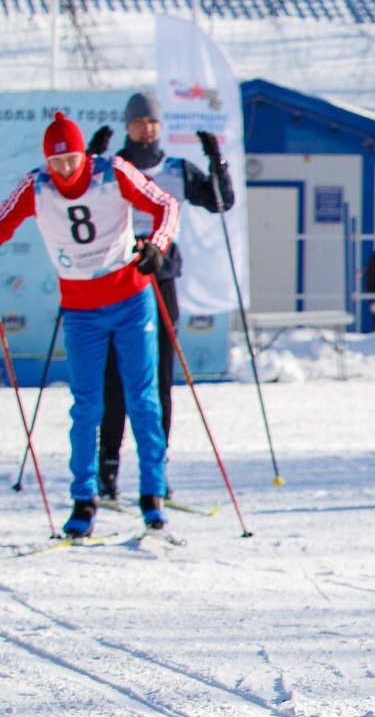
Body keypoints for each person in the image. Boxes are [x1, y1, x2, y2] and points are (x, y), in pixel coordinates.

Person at [0, 113, 178, 536]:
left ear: (83, 154)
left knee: (143, 399)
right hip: (80, 310)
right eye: (56, 162)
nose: (64, 170)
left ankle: (152, 495)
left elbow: (165, 204)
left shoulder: (112, 171)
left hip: (131, 300)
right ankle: (84, 500)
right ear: (47, 161)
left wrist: (157, 245)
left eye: (72, 159)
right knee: (86, 406)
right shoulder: (37, 186)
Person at [96, 92, 234, 504]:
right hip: (116, 280)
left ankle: (156, 470)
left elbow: (220, 201)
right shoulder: (113, 167)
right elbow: (79, 197)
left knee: (158, 382)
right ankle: (107, 470)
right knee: (114, 380)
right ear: (128, 126)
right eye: (139, 123)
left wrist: (217, 162)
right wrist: (90, 157)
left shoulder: (173, 168)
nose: (146, 129)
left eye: (152, 122)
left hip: (160, 279)